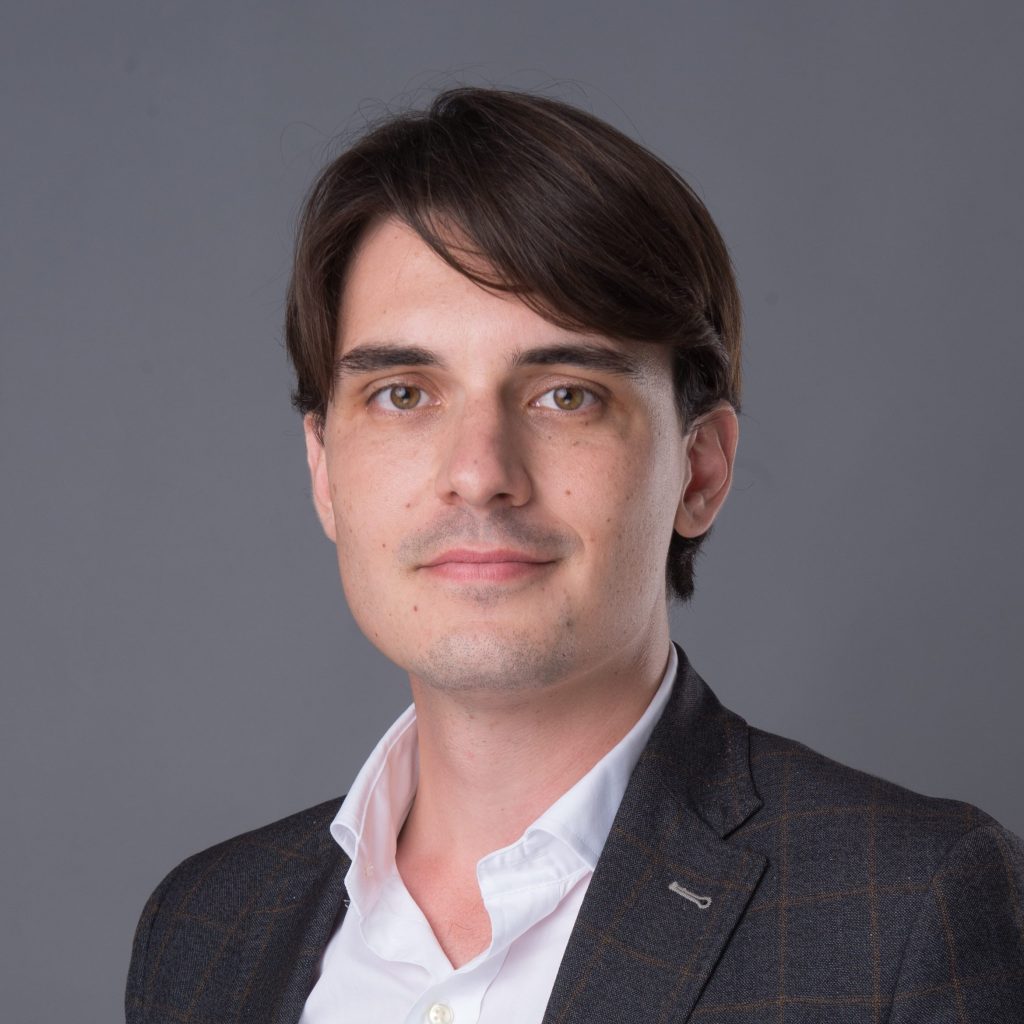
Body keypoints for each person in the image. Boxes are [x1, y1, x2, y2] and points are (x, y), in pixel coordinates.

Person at [125, 87, 1024, 1023]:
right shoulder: (204, 931)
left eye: (566, 395)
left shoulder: (907, 915)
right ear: (324, 472)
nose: (479, 475)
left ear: (700, 470)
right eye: (403, 394)